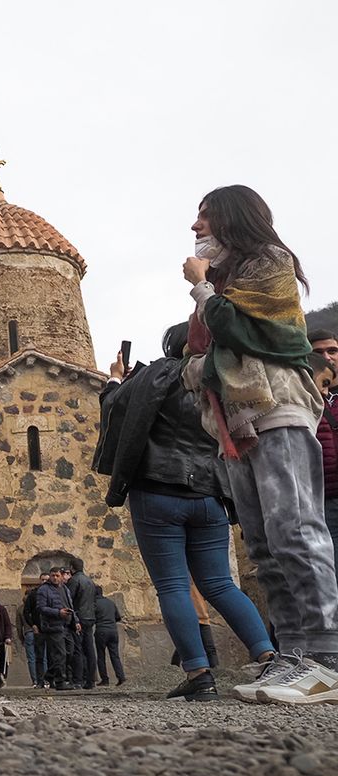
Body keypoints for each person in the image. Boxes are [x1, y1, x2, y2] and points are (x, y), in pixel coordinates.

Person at [181, 185, 338, 704]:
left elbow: (250, 334)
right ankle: (293, 654)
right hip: (235, 422)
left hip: (276, 408)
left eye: (204, 217)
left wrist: (204, 290)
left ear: (231, 219)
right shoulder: (224, 279)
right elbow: (196, 356)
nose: (195, 227)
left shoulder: (269, 262)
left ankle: (327, 657)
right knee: (264, 545)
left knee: (295, 529)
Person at [98, 320, 276, 702]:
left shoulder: (161, 372)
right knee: (220, 584)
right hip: (210, 493)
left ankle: (198, 673)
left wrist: (116, 380)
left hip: (158, 490)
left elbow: (115, 408)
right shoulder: (221, 378)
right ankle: (269, 657)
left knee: (173, 585)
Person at [311, 347, 338, 576]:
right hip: (323, 501)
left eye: (333, 350)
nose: (327, 357)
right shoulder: (301, 403)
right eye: (318, 352)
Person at [34, 567, 74, 690]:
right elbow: (41, 608)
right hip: (53, 626)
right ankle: (60, 681)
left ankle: (49, 675)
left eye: (57, 575)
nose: (55, 578)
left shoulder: (65, 589)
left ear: (61, 576)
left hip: (66, 625)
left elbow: (70, 605)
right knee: (60, 654)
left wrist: (75, 621)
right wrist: (58, 612)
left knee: (69, 653)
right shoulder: (44, 590)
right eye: (53, 576)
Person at [65, 558, 97, 689]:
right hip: (90, 617)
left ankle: (78, 680)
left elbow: (69, 600)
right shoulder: (90, 581)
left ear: (72, 568)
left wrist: (73, 619)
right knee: (89, 650)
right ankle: (91, 680)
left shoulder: (74, 581)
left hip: (79, 617)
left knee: (78, 650)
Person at [93, 585, 125, 686]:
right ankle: (121, 677)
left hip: (101, 631)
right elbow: (118, 617)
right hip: (113, 631)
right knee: (115, 655)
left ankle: (105, 679)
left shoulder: (94, 603)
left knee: (101, 656)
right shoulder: (110, 603)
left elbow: (91, 617)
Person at [20, 573, 48, 687]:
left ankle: (40, 680)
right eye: (43, 580)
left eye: (47, 579)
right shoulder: (34, 595)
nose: (45, 582)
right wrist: (33, 625)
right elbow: (26, 613)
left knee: (41, 657)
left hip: (46, 630)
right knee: (39, 657)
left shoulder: (53, 592)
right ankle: (41, 680)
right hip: (35, 630)